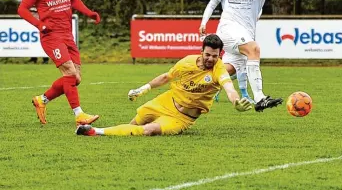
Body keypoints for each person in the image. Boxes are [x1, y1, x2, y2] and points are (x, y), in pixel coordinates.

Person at [76, 34, 253, 137]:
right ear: (202, 51)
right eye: (208, 55)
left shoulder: (218, 68)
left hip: (182, 118)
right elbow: (166, 77)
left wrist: (235, 102)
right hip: (166, 101)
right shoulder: (187, 62)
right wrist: (143, 89)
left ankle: (94, 132)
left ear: (219, 55)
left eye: (215, 56)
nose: (211, 59)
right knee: (134, 125)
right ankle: (100, 132)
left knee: (147, 131)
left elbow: (228, 86)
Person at [197, 0, 286, 112]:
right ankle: (260, 98)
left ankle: (193, 87)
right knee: (254, 49)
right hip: (227, 28)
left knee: (226, 71)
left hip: (244, 33)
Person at [17, 0, 101, 125]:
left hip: (67, 35)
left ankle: (42, 100)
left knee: (76, 78)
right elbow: (22, 9)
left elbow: (75, 1)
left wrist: (90, 13)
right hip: (51, 37)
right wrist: (40, 25)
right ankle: (79, 116)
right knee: (70, 73)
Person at [199, 0, 254, 103]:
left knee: (231, 67)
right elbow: (211, 5)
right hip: (229, 31)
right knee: (244, 59)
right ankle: (245, 94)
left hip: (241, 30)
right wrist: (204, 22)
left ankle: (210, 86)